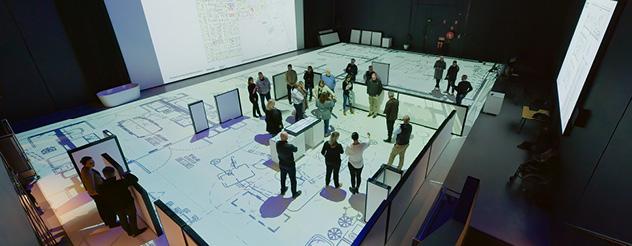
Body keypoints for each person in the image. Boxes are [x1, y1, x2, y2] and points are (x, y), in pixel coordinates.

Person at [98, 167, 147, 237]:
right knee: (132, 217)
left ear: (104, 175)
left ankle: (129, 232)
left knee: (122, 219)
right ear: (113, 173)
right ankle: (135, 231)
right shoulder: (120, 183)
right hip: (128, 204)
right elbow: (135, 179)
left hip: (115, 206)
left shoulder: (101, 188)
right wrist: (125, 174)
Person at [79, 156, 117, 227]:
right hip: (98, 194)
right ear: (85, 164)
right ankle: (112, 223)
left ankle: (109, 222)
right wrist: (99, 193)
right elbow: (91, 185)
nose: (93, 163)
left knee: (103, 208)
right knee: (107, 208)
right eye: (90, 162)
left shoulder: (87, 169)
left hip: (97, 193)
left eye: (93, 161)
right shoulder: (87, 172)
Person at [277, 132, 302, 198]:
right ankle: (294, 193)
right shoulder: (289, 146)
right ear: (286, 138)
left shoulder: (277, 144)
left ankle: (283, 190)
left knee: (283, 177)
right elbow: (295, 149)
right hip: (290, 166)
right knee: (293, 179)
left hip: (282, 164)